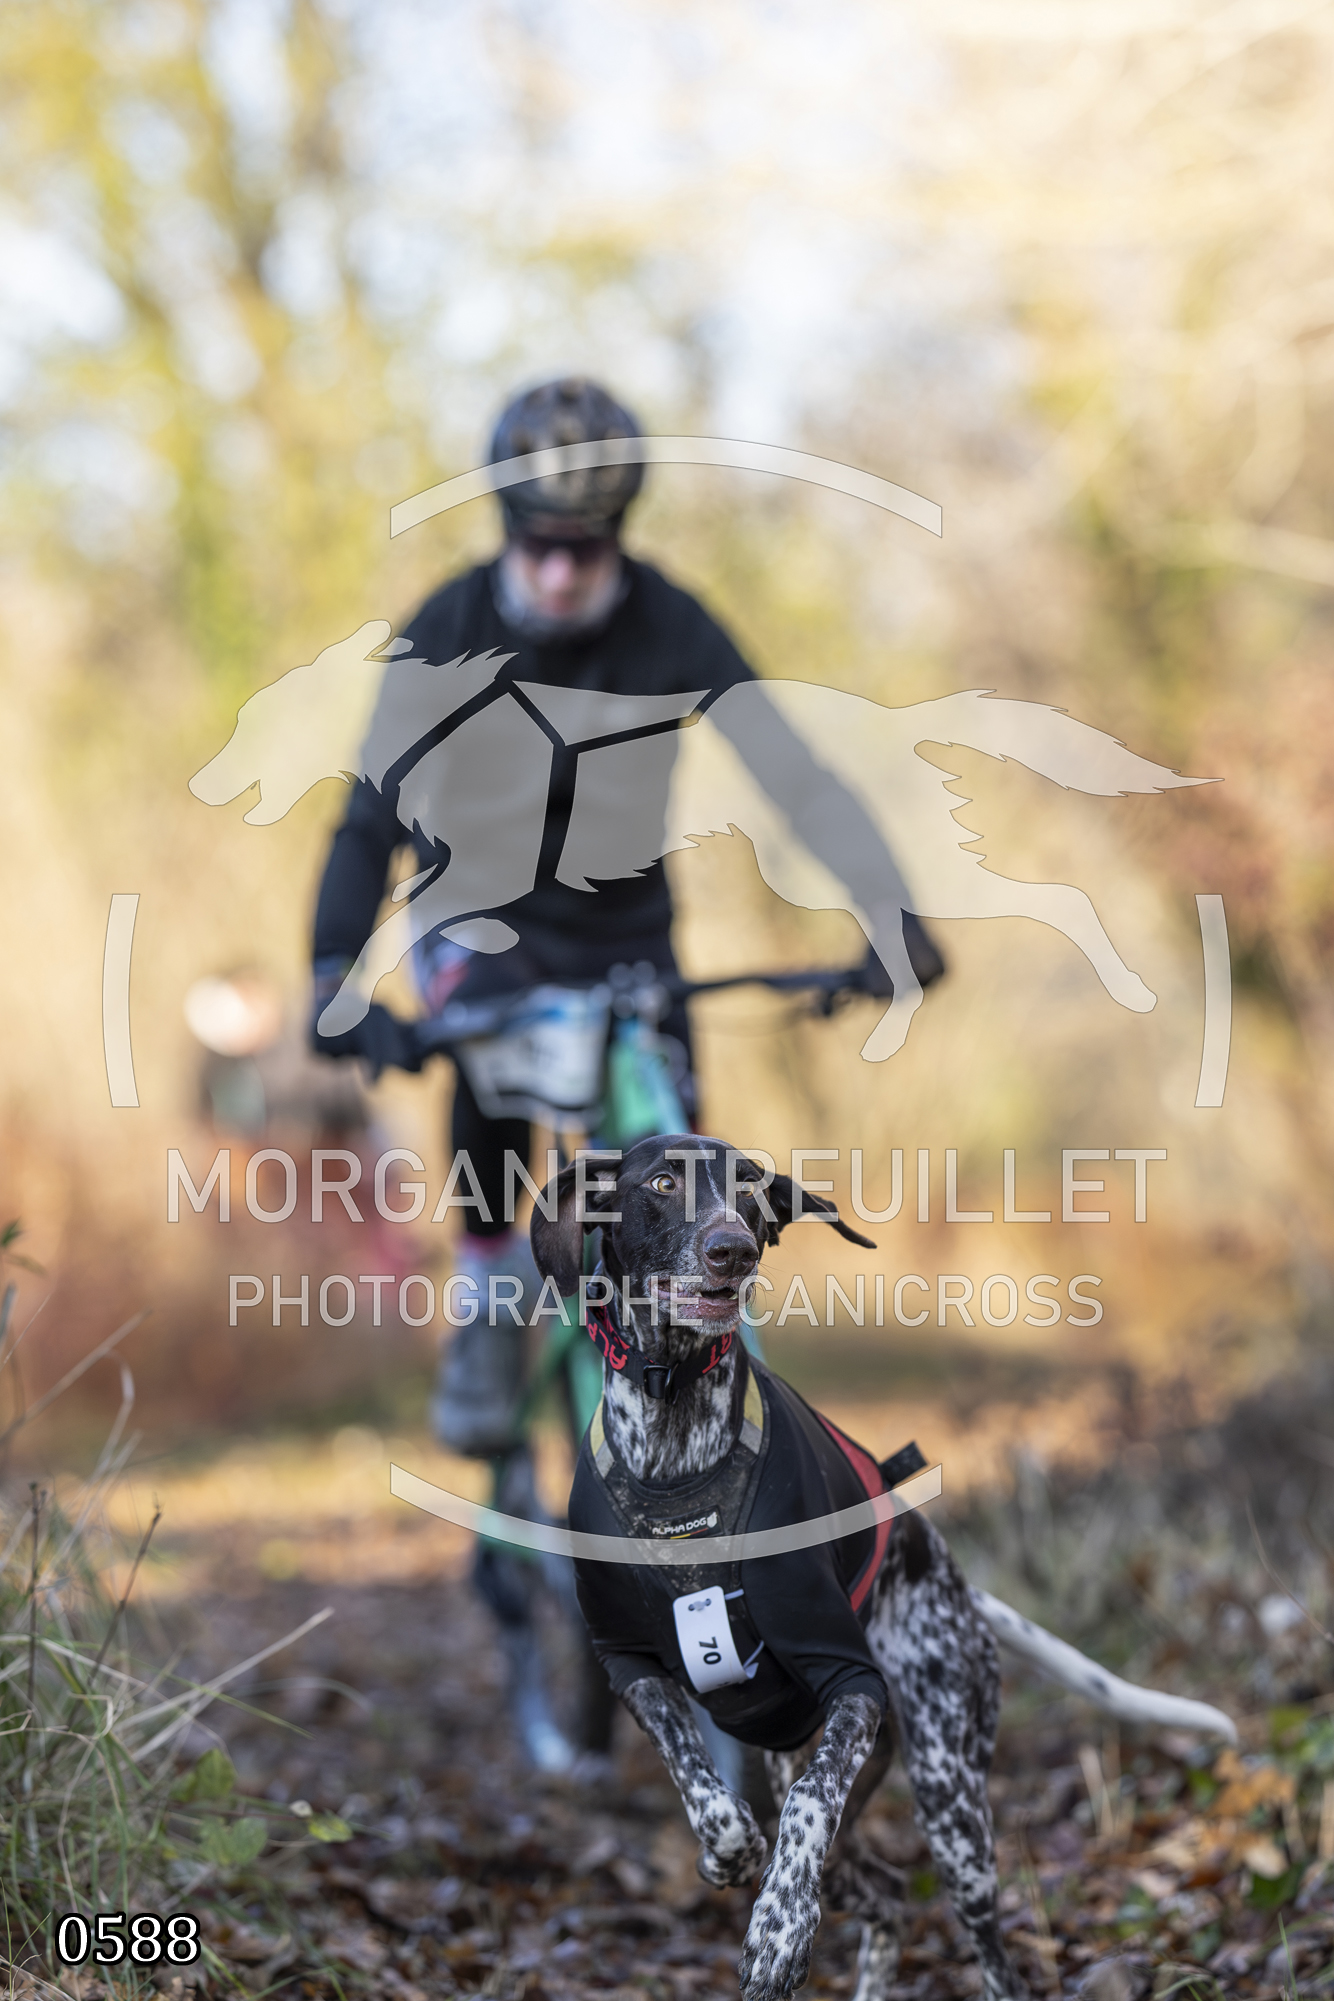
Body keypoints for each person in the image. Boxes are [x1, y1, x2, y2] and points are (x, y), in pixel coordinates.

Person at [310, 376, 943, 1768]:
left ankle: (721, 1455)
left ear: (621, 536)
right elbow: (364, 822)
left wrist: (889, 911)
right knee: (499, 1075)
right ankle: (490, 1311)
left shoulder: (668, 622)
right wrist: (329, 975)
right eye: (536, 544)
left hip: (630, 947)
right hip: (480, 939)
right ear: (504, 530)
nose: (558, 572)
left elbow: (795, 772)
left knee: (684, 1182)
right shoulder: (447, 627)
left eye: (585, 549)